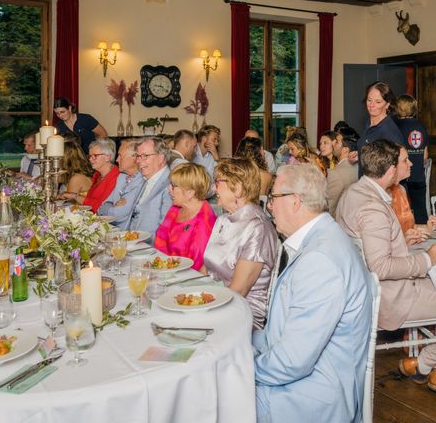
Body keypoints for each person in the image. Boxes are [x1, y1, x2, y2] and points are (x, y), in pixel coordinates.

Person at [254, 163, 372, 422]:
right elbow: (283, 333)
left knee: (211, 399)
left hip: (311, 396)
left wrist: (241, 369)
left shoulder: (320, 259)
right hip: (304, 380)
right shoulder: (321, 239)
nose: (269, 206)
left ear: (295, 201)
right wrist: (243, 342)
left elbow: (293, 362)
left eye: (273, 197)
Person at [336, 139, 436, 392]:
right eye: (404, 161)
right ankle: (430, 364)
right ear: (389, 170)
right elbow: (381, 267)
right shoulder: (373, 207)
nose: (410, 164)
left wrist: (401, 241)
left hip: (363, 291)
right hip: (389, 299)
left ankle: (424, 363)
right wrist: (429, 259)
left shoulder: (353, 192)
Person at [203, 158, 277, 329]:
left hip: (243, 312)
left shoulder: (258, 227)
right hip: (215, 299)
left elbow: (238, 291)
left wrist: (201, 307)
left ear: (237, 188)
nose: (214, 188)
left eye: (218, 182)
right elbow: (206, 268)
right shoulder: (223, 219)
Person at [155, 163, 216, 271]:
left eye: (173, 186)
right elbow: (160, 238)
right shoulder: (176, 209)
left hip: (186, 278)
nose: (169, 189)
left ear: (190, 193)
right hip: (165, 270)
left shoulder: (205, 220)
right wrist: (160, 265)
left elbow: (195, 264)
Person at [393, 94, 429, 223]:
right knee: (420, 211)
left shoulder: (395, 126)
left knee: (399, 211)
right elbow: (425, 156)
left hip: (401, 177)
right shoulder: (421, 126)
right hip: (418, 175)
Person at [129, 136, 172, 243]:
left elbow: (166, 230)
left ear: (161, 157)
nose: (138, 161)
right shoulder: (145, 179)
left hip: (151, 250)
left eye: (144, 156)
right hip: (133, 243)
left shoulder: (170, 184)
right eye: (138, 156)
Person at [98, 138, 145, 228]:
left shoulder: (142, 181)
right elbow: (101, 207)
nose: (117, 160)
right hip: (112, 230)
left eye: (120, 155)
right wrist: (112, 206)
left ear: (135, 157)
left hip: (128, 235)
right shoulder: (121, 177)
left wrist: (110, 206)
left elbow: (118, 215)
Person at [357, 82, 403, 163]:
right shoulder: (369, 123)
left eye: (378, 102)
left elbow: (398, 164)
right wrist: (360, 155)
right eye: (369, 100)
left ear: (387, 104)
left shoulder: (389, 131)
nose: (371, 105)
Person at [74, 138, 120, 212]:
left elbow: (101, 206)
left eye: (95, 155)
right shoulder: (98, 175)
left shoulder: (115, 177)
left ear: (107, 157)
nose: (90, 159)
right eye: (90, 156)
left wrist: (75, 197)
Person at [326, 127, 359, 216]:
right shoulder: (359, 166)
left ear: (345, 149)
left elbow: (330, 209)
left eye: (336, 142)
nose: (333, 144)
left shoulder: (336, 174)